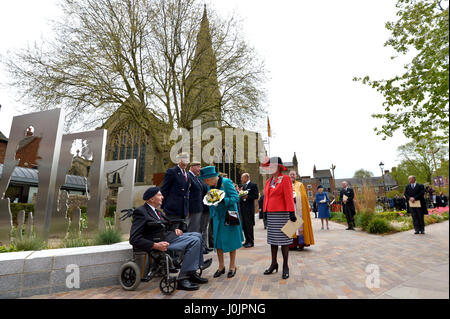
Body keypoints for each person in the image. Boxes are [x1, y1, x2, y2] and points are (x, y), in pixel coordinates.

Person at [129, 187, 212, 291]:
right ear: (151, 199)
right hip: (160, 241)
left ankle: (192, 272)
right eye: (159, 195)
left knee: (197, 235)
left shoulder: (156, 211)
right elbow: (134, 238)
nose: (162, 197)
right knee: (194, 241)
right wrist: (155, 245)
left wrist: (175, 229)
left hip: (169, 236)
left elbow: (166, 225)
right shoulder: (141, 212)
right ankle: (182, 279)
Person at [199, 166, 244, 279]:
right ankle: (221, 266)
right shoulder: (209, 186)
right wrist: (211, 208)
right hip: (217, 218)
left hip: (229, 216)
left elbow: (235, 198)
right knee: (218, 242)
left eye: (206, 180)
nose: (205, 182)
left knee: (231, 241)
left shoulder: (226, 182)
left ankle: (232, 266)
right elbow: (210, 200)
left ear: (213, 177)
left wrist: (223, 200)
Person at [261, 157, 296, 280]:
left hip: (282, 214)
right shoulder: (268, 181)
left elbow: (289, 196)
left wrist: (292, 212)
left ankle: (285, 266)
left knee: (284, 241)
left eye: (272, 166)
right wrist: (264, 212)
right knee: (273, 240)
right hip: (271, 214)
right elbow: (266, 198)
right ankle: (274, 263)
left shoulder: (285, 179)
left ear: (278, 167)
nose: (270, 169)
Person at [187, 162, 213, 254]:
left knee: (203, 228)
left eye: (200, 167)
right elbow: (187, 194)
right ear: (192, 167)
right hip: (194, 208)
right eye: (198, 167)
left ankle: (203, 247)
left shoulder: (198, 178)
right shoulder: (189, 177)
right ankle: (195, 250)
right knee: (194, 230)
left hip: (202, 207)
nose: (200, 169)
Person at [160, 152, 191, 225]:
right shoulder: (172, 172)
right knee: (173, 232)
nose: (185, 163)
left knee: (182, 232)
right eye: (183, 161)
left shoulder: (187, 175)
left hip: (183, 210)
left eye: (187, 161)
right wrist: (163, 205)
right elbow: (164, 189)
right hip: (173, 209)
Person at [289, 170, 314, 250]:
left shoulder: (300, 185)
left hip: (298, 208)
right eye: (291, 174)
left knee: (299, 226)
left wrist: (296, 198)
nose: (292, 176)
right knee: (290, 225)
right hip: (289, 209)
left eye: (293, 174)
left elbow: (303, 196)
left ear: (296, 176)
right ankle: (291, 244)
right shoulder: (286, 184)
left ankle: (300, 243)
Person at [239, 173, 259, 248]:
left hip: (249, 208)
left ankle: (251, 241)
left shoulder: (253, 185)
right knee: (244, 225)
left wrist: (247, 197)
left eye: (242, 177)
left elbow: (256, 195)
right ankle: (247, 240)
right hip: (243, 208)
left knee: (249, 225)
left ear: (246, 178)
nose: (241, 179)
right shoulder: (243, 186)